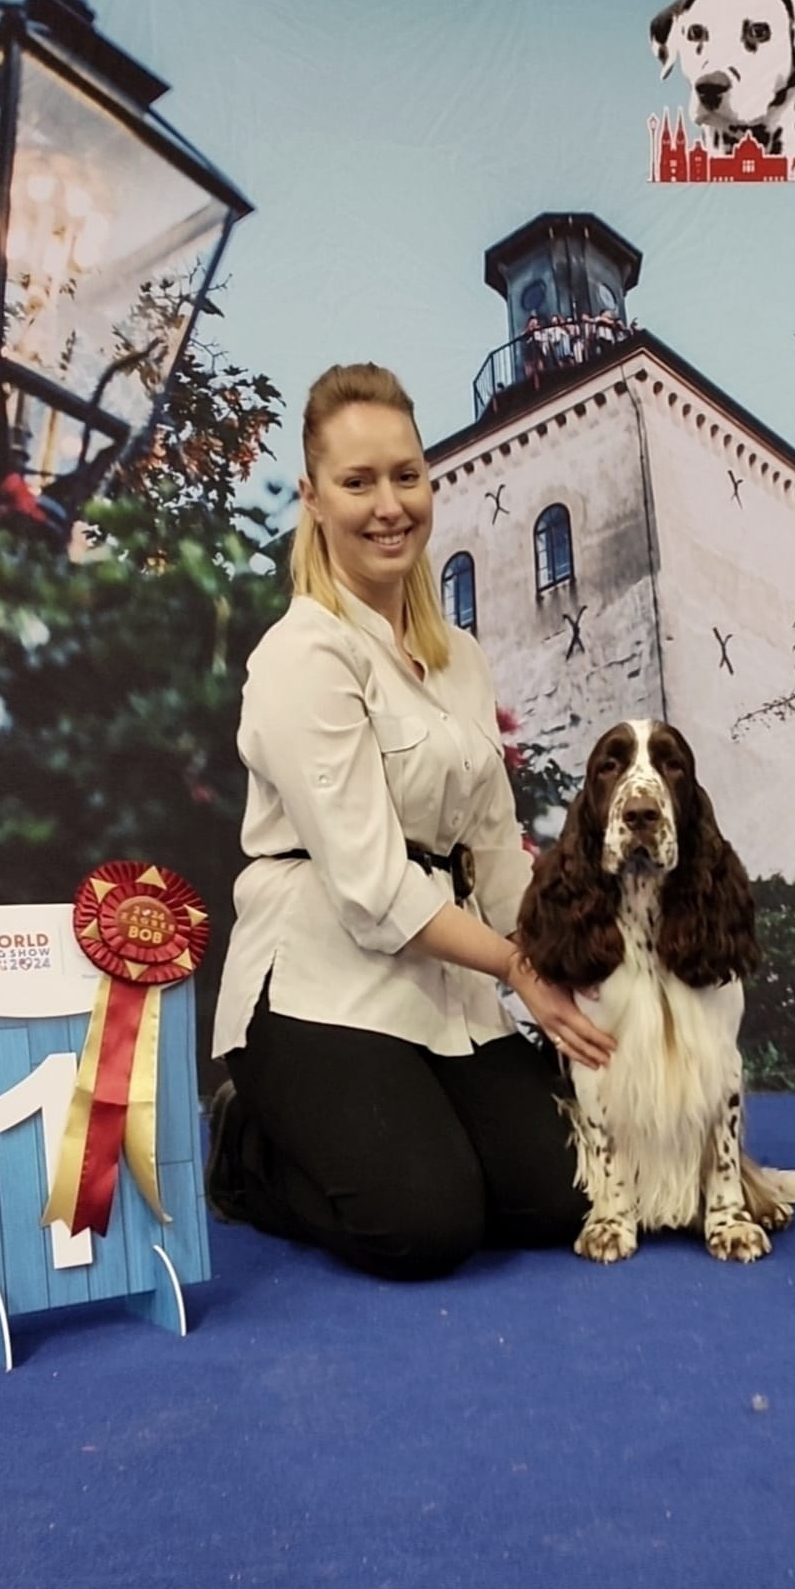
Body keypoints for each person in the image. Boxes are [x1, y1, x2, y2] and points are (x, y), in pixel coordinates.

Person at [205, 362, 611, 1279]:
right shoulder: (299, 657)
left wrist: (556, 970)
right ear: (313, 498)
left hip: (442, 979)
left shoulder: (460, 656)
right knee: (423, 1225)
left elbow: (493, 844)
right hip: (319, 977)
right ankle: (244, 1145)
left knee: (563, 1192)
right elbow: (372, 887)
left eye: (406, 475)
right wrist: (514, 967)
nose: (388, 505)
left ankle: (425, 1124)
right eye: (356, 482)